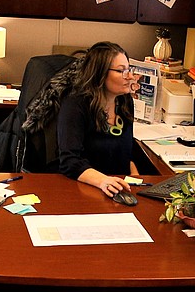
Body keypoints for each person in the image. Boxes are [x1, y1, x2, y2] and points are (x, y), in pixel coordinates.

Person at [56, 41, 139, 197]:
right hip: (83, 188)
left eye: (129, 69)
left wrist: (137, 180)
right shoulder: (75, 105)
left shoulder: (125, 102)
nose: (130, 77)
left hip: (118, 189)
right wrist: (103, 181)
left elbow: (127, 154)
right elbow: (70, 162)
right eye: (121, 71)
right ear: (100, 74)